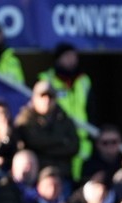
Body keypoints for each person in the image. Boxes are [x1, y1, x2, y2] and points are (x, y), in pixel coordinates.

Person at [37, 43, 93, 181]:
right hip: (59, 139)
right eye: (67, 56)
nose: (71, 60)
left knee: (81, 180)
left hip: (82, 140)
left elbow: (92, 109)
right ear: (58, 59)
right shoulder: (46, 80)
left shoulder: (84, 80)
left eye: (73, 56)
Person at [15, 80, 79, 184]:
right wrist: (61, 141)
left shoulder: (64, 118)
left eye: (51, 97)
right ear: (34, 98)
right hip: (35, 176)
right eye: (43, 96)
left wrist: (43, 147)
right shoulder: (25, 117)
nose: (47, 100)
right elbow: (34, 141)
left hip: (62, 175)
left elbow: (74, 146)